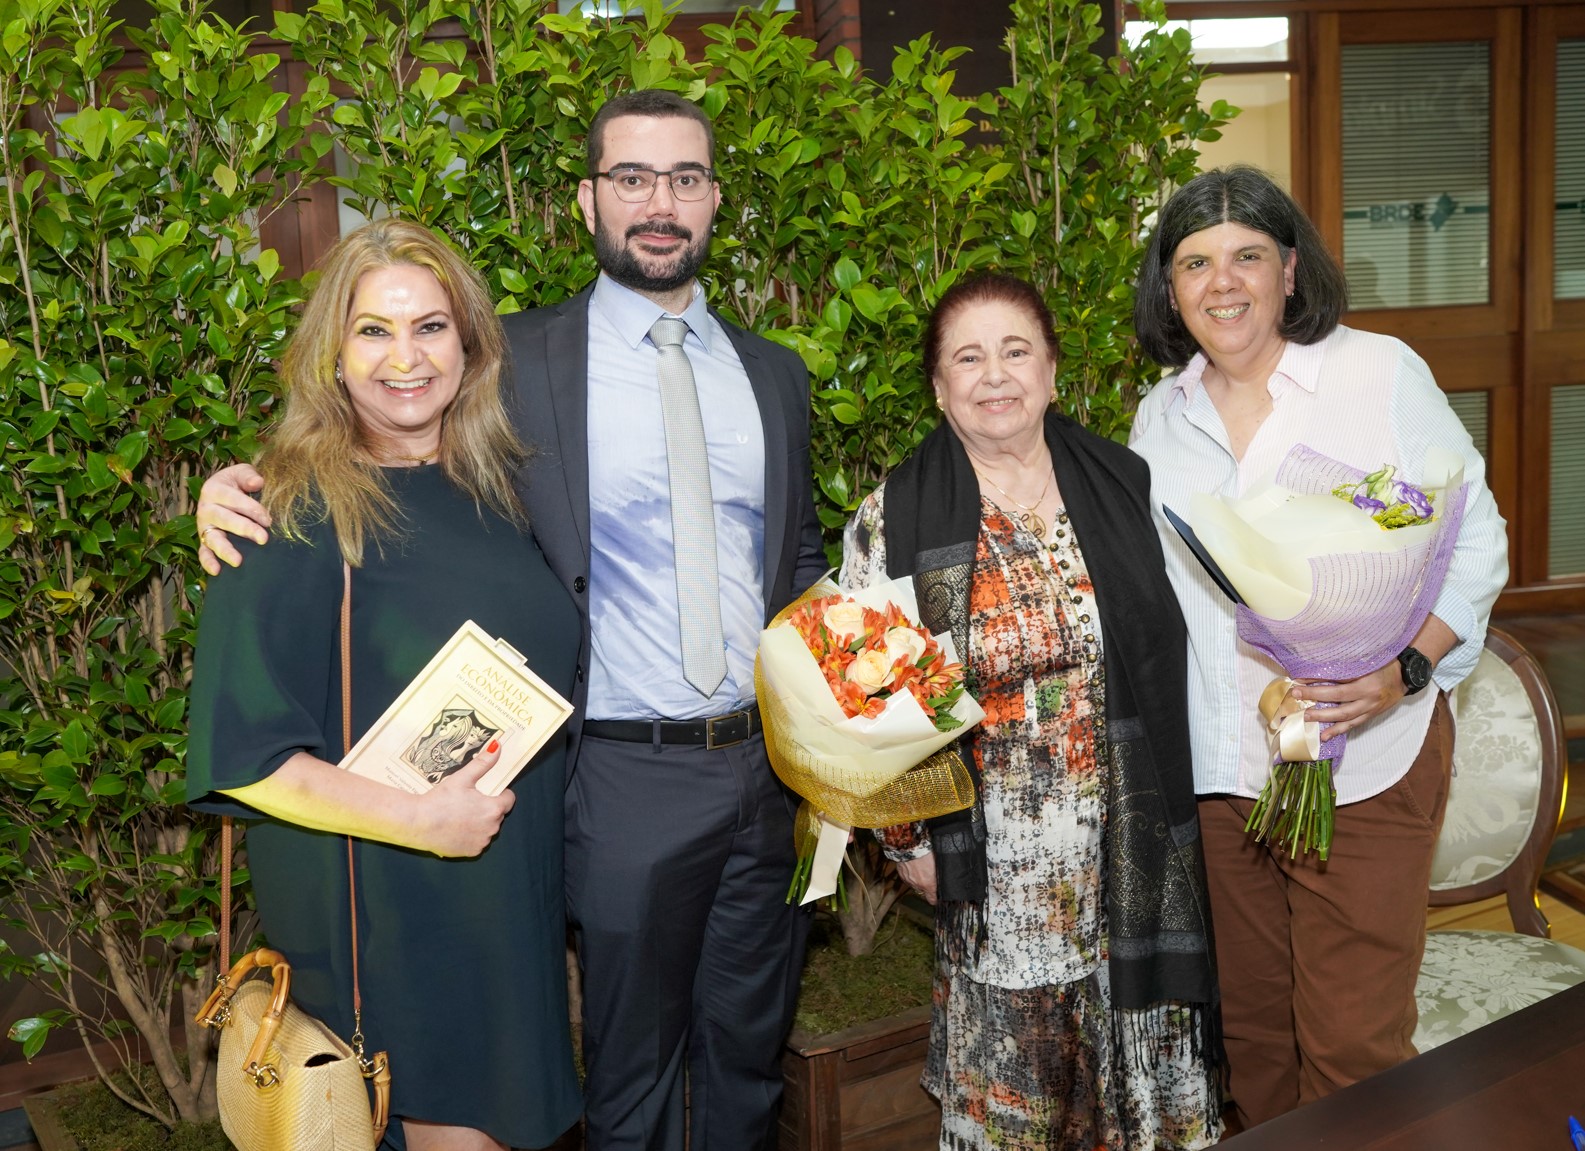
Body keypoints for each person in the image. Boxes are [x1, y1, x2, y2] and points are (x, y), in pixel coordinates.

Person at [195, 90, 825, 1151]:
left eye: (683, 178)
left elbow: (796, 555)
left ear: (716, 199)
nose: (658, 201)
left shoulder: (766, 373)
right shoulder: (529, 361)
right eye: (631, 177)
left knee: (745, 1062)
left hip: (750, 783)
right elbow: (351, 464)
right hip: (604, 786)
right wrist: (235, 488)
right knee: (623, 1078)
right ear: (587, 200)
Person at [186, 218, 582, 1150]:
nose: (405, 357)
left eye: (431, 327)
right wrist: (420, 822)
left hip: (504, 892)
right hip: (389, 906)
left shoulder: (502, 489)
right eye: (373, 329)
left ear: (472, 345)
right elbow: (244, 756)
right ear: (331, 351)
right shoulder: (283, 508)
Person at [1128, 165, 1509, 1130]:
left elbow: (1473, 536)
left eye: (1248, 256)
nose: (1223, 283)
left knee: (1351, 1045)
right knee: (1252, 1038)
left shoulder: (1374, 373)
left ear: (1289, 271)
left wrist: (1405, 668)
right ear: (1168, 289)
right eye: (1195, 262)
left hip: (1366, 765)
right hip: (1224, 780)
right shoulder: (1156, 420)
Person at [841, 272, 1222, 1151]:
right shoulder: (895, 514)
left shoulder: (1121, 484)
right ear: (939, 388)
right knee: (1020, 1113)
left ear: (1051, 371)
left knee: (1137, 1097)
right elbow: (866, 702)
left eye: (1015, 351)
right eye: (967, 358)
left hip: (1130, 850)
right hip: (999, 873)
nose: (995, 374)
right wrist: (908, 845)